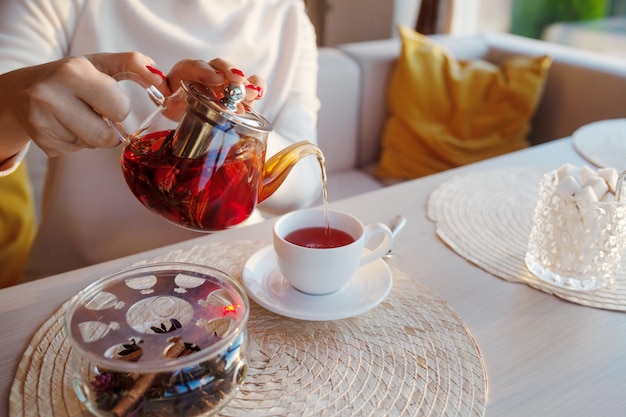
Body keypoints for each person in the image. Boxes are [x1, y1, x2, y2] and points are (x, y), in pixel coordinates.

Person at [0, 0, 322, 281]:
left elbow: (305, 181)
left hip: (230, 274)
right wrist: (14, 105)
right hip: (76, 278)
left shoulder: (289, 17)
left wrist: (234, 128)